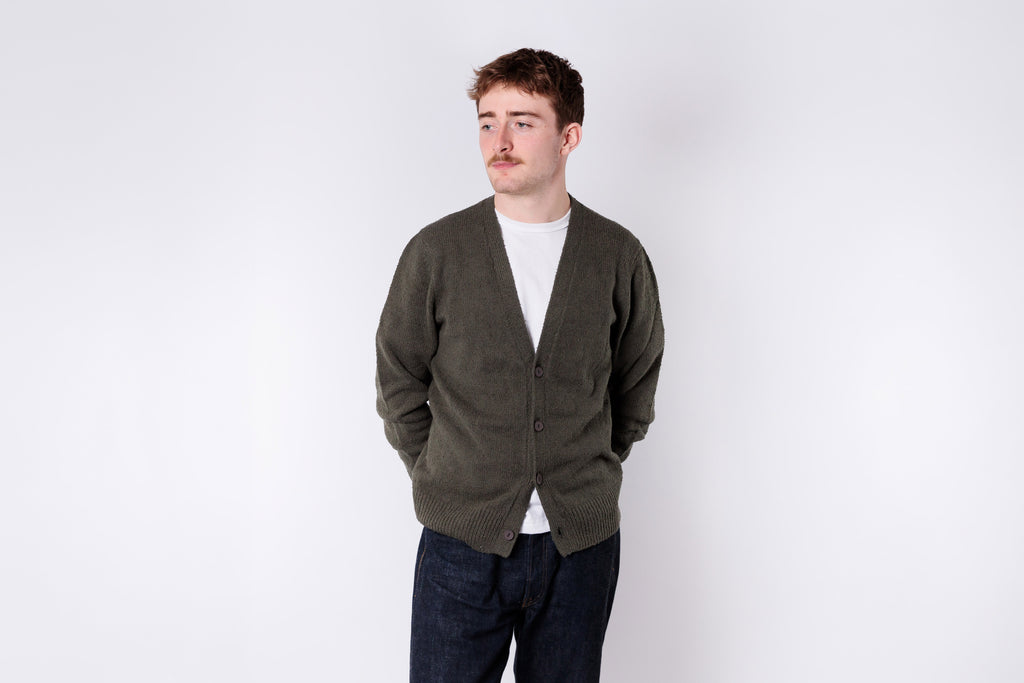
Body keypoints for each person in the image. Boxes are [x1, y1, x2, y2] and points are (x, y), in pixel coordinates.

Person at [375, 48, 664, 682]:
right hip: (461, 547)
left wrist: (588, 466)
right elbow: (398, 380)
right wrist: (440, 471)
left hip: (579, 551)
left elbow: (635, 384)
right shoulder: (437, 252)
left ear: (570, 136)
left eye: (523, 122)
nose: (498, 142)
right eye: (487, 121)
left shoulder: (617, 255)